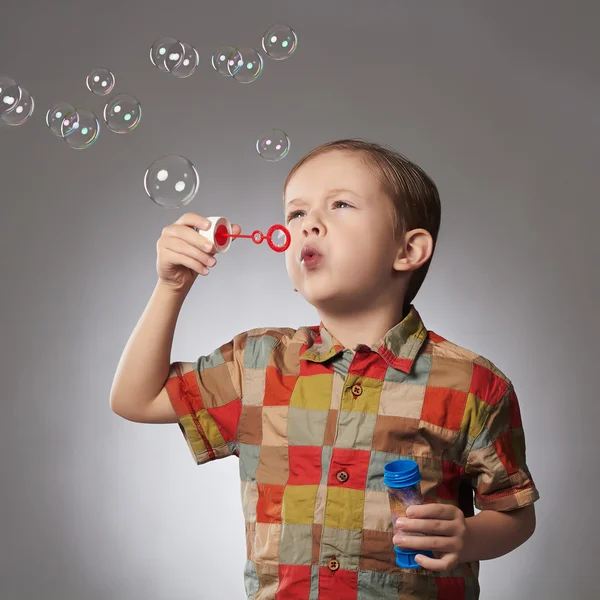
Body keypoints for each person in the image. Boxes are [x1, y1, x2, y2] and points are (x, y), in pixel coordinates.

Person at [110, 139, 539, 599]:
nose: (308, 224)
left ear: (408, 250)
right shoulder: (256, 363)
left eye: (340, 204)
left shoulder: (474, 384)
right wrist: (171, 287)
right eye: (296, 213)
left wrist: (468, 536)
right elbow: (136, 398)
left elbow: (514, 513)